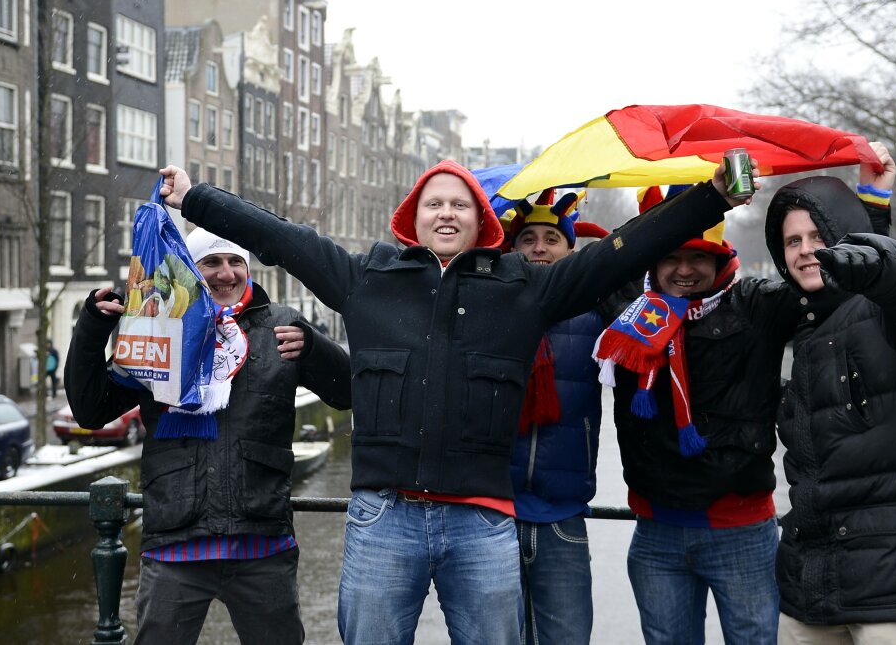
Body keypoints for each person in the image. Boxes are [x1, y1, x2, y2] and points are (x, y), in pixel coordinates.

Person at [157, 158, 749, 645]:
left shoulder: (525, 288)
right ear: (413, 219)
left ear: (480, 221)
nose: (446, 211)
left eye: (459, 203)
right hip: (384, 515)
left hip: (484, 519)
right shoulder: (365, 279)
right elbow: (283, 237)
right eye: (434, 202)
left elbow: (618, 252)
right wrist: (196, 198)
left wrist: (710, 199)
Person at [596, 149, 896, 645]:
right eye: (671, 256)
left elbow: (843, 283)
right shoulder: (627, 313)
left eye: (698, 257)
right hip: (655, 535)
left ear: (721, 258)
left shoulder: (757, 304)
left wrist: (875, 200)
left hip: (743, 534)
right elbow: (576, 272)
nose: (685, 270)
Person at [64, 228, 352, 645]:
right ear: (189, 271)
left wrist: (315, 348)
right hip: (177, 543)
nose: (226, 273)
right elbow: (92, 410)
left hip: (262, 543)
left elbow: (346, 393)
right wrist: (92, 328)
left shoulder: (282, 326)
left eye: (236, 262)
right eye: (211, 263)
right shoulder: (159, 327)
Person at [764, 175, 896, 644]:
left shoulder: (894, 316)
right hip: (811, 586)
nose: (805, 250)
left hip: (895, 586)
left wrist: (877, 259)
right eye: (793, 241)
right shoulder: (803, 325)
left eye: (819, 237)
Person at [507, 190, 609, 645]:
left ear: (571, 250)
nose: (539, 248)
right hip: (491, 519)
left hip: (563, 518)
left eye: (552, 238)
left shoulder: (598, 317)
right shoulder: (489, 313)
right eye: (527, 238)